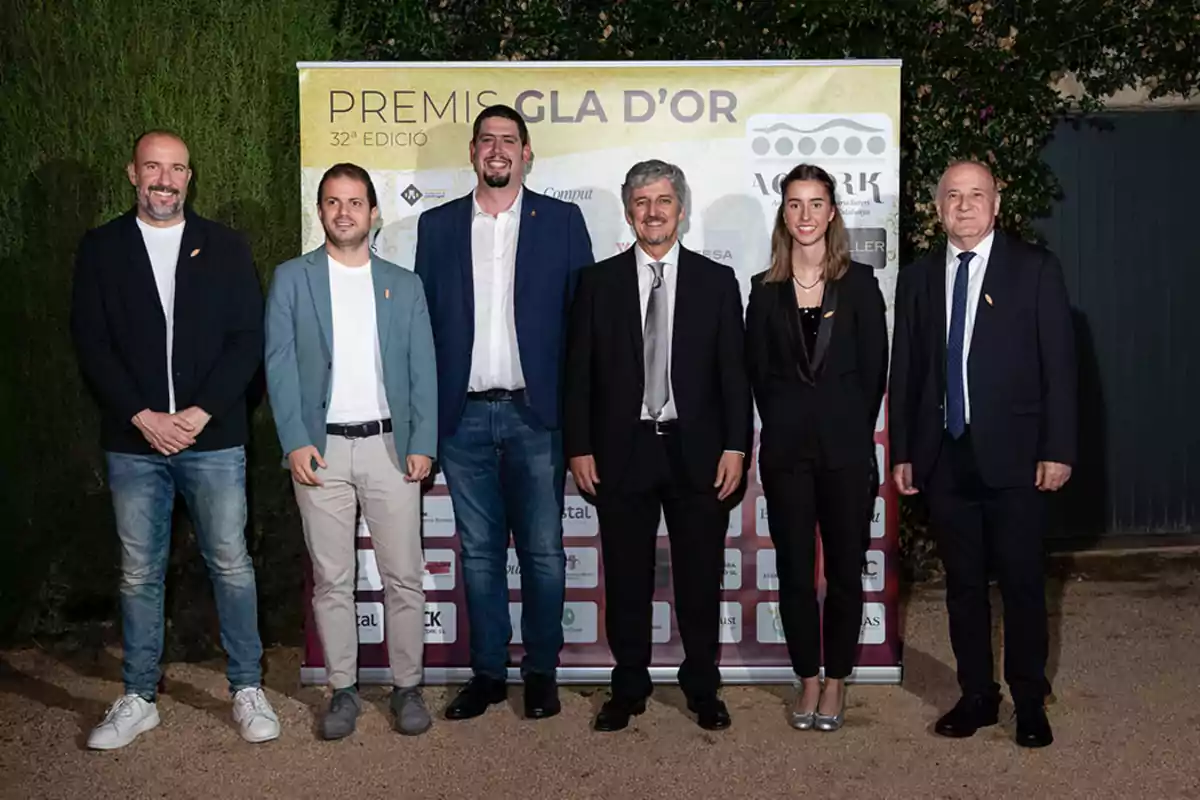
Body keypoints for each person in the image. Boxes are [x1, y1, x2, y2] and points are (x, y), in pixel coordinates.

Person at [70, 130, 279, 750]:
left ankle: (246, 686)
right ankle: (139, 695)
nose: (164, 179)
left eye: (177, 169)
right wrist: (143, 415)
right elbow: (91, 341)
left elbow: (247, 338)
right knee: (138, 573)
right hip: (135, 443)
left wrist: (200, 412)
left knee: (232, 565)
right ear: (133, 173)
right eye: (153, 167)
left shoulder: (225, 246)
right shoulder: (102, 248)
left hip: (213, 438)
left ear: (190, 177)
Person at [414, 105, 594, 720]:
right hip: (461, 418)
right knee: (480, 553)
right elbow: (422, 330)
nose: (497, 150)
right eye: (486, 140)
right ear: (472, 153)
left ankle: (540, 671)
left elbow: (584, 332)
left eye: (508, 141)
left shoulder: (563, 222)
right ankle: (488, 673)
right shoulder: (435, 228)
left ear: (526, 153)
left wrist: (579, 421)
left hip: (535, 414)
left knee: (543, 551)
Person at [889, 159, 1077, 748]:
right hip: (945, 457)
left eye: (976, 195)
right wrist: (904, 451)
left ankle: (1028, 699)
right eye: (953, 195)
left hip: (1019, 459)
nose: (964, 205)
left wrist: (1058, 448)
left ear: (997, 204)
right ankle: (977, 695)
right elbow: (909, 371)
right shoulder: (918, 278)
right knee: (963, 585)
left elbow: (1061, 370)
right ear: (938, 206)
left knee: (1021, 583)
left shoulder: (1035, 270)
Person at [564, 159, 752, 732]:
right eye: (642, 201)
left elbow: (733, 375)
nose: (653, 211)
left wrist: (737, 448)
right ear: (628, 211)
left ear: (682, 209)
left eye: (663, 200)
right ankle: (629, 686)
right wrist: (579, 446)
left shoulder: (716, 282)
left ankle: (702, 684)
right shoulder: (597, 283)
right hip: (622, 452)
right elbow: (578, 375)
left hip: (696, 452)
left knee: (700, 577)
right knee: (626, 577)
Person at [265, 163, 437, 739]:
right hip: (321, 452)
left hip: (392, 447)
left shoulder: (404, 284)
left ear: (372, 212)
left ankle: (408, 687)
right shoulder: (292, 279)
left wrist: (423, 442)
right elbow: (280, 366)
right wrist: (294, 440)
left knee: (404, 577)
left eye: (355, 202)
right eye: (334, 202)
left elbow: (423, 371)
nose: (345, 212)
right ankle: (343, 690)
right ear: (320, 212)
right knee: (332, 580)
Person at [744, 163, 888, 732]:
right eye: (795, 203)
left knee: (847, 572)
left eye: (816, 203)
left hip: (847, 455)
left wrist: (842, 429)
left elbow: (874, 373)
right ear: (784, 213)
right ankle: (807, 674)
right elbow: (756, 373)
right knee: (796, 573)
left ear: (833, 212)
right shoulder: (764, 289)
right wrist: (788, 425)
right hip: (786, 458)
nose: (806, 215)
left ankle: (837, 680)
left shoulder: (860, 284)